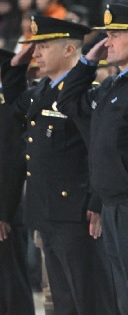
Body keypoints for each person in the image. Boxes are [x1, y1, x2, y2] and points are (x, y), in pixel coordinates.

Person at [56, 4, 128, 315]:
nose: (107, 42)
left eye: (115, 35)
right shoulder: (113, 83)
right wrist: (87, 62)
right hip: (112, 204)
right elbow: (69, 103)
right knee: (125, 296)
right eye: (106, 35)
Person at [1, 16, 118, 315]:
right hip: (46, 210)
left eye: (44, 46)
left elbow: (96, 150)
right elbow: (13, 110)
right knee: (63, 300)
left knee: (89, 298)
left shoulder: (84, 93)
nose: (36, 53)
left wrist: (95, 200)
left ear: (69, 50)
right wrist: (15, 67)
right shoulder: (41, 91)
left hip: (75, 211)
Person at [0, 48, 34, 315]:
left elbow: (12, 163)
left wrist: (4, 213)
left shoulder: (6, 107)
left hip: (5, 213)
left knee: (12, 289)